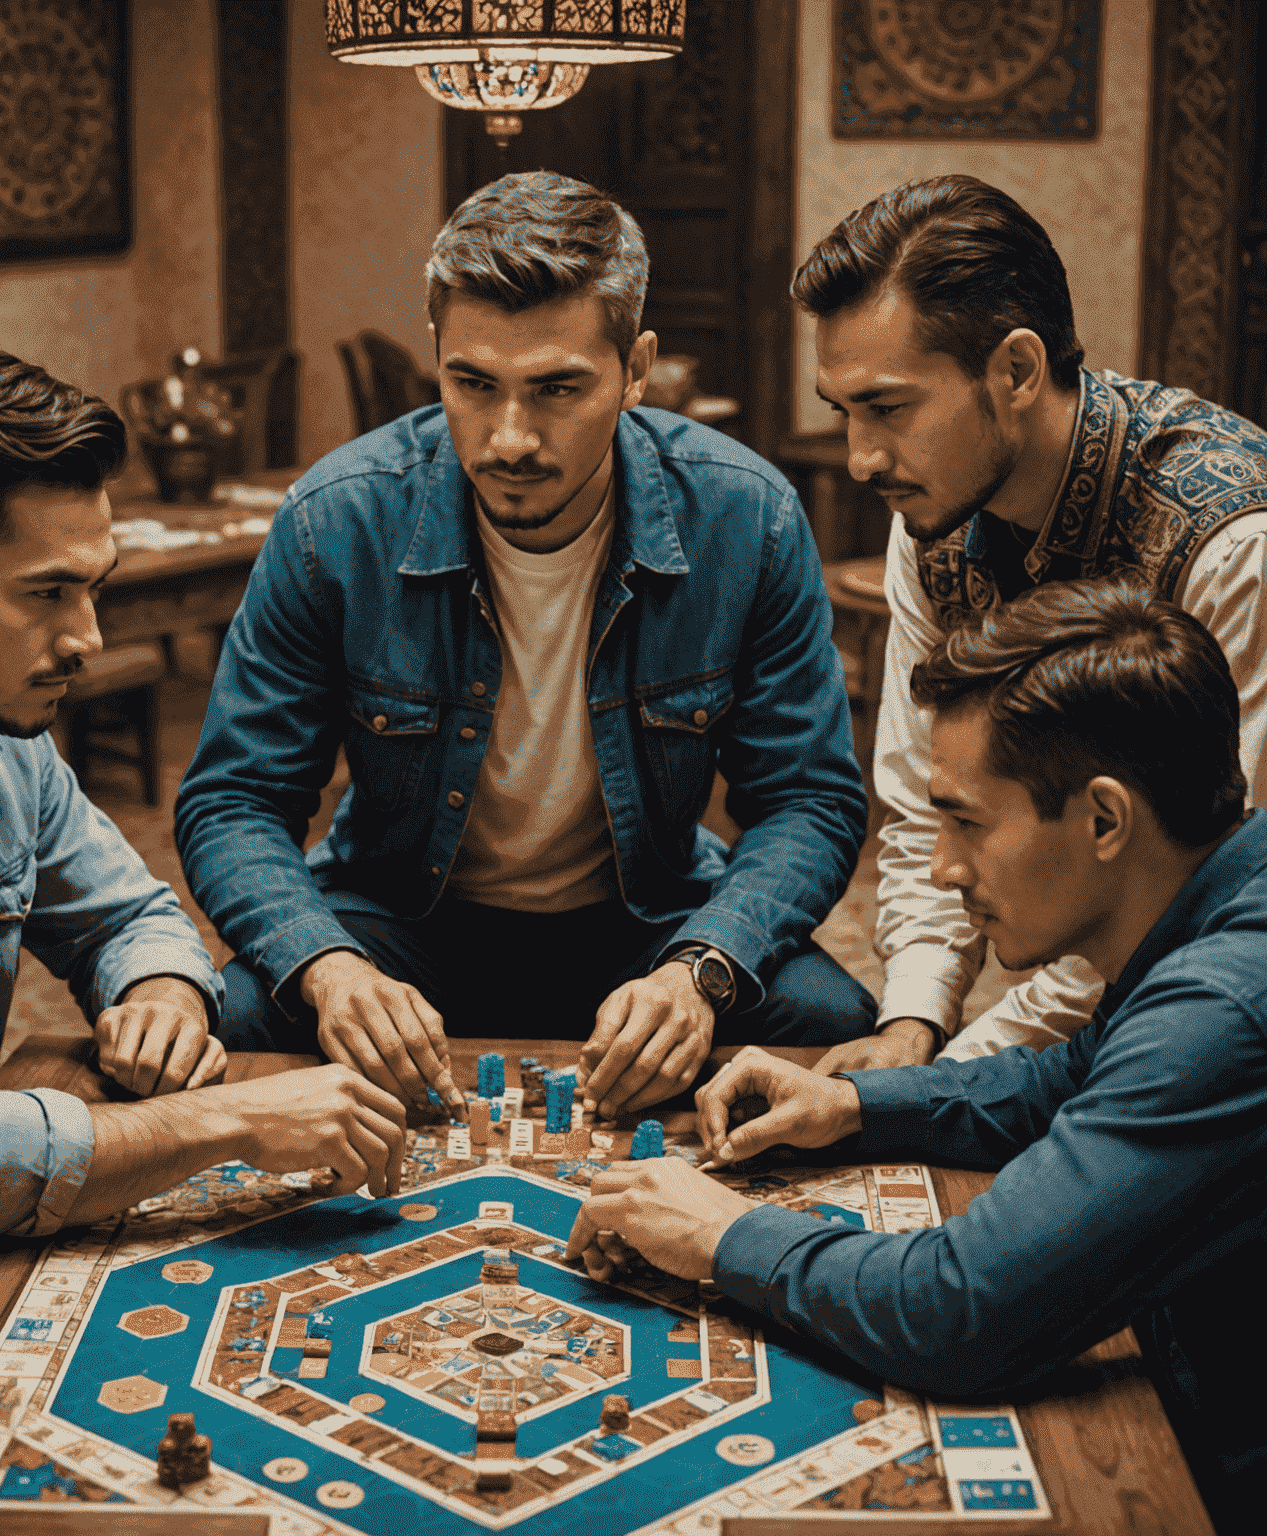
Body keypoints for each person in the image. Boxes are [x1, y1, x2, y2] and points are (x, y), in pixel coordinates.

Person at [564, 578, 1265, 1536]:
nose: (941, 866)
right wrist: (854, 1104)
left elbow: (961, 1309)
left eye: (966, 821)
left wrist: (722, 1231)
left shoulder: (1219, 1009)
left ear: (1105, 821)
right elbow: (1061, 1080)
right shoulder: (1216, 910)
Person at [175, 171, 873, 1124]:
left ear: (636, 369)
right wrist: (328, 967)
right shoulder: (333, 522)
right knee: (238, 1022)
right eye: (473, 384)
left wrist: (701, 970)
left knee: (830, 1023)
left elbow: (808, 799)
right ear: (437, 356)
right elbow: (234, 800)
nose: (509, 438)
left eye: (557, 389)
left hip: (647, 920)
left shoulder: (748, 518)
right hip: (398, 923)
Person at [0, 345, 405, 1303]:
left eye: (95, 587)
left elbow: (130, 916)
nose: (89, 638)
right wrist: (238, 1122)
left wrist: (161, 997)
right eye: (46, 594)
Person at [789, 174, 1267, 1072]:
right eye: (842, 413)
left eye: (887, 408)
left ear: (1015, 371)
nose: (859, 459)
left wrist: (962, 1074)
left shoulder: (1236, 548)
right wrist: (915, 1022)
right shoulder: (931, 515)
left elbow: (1210, 893)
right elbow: (923, 806)